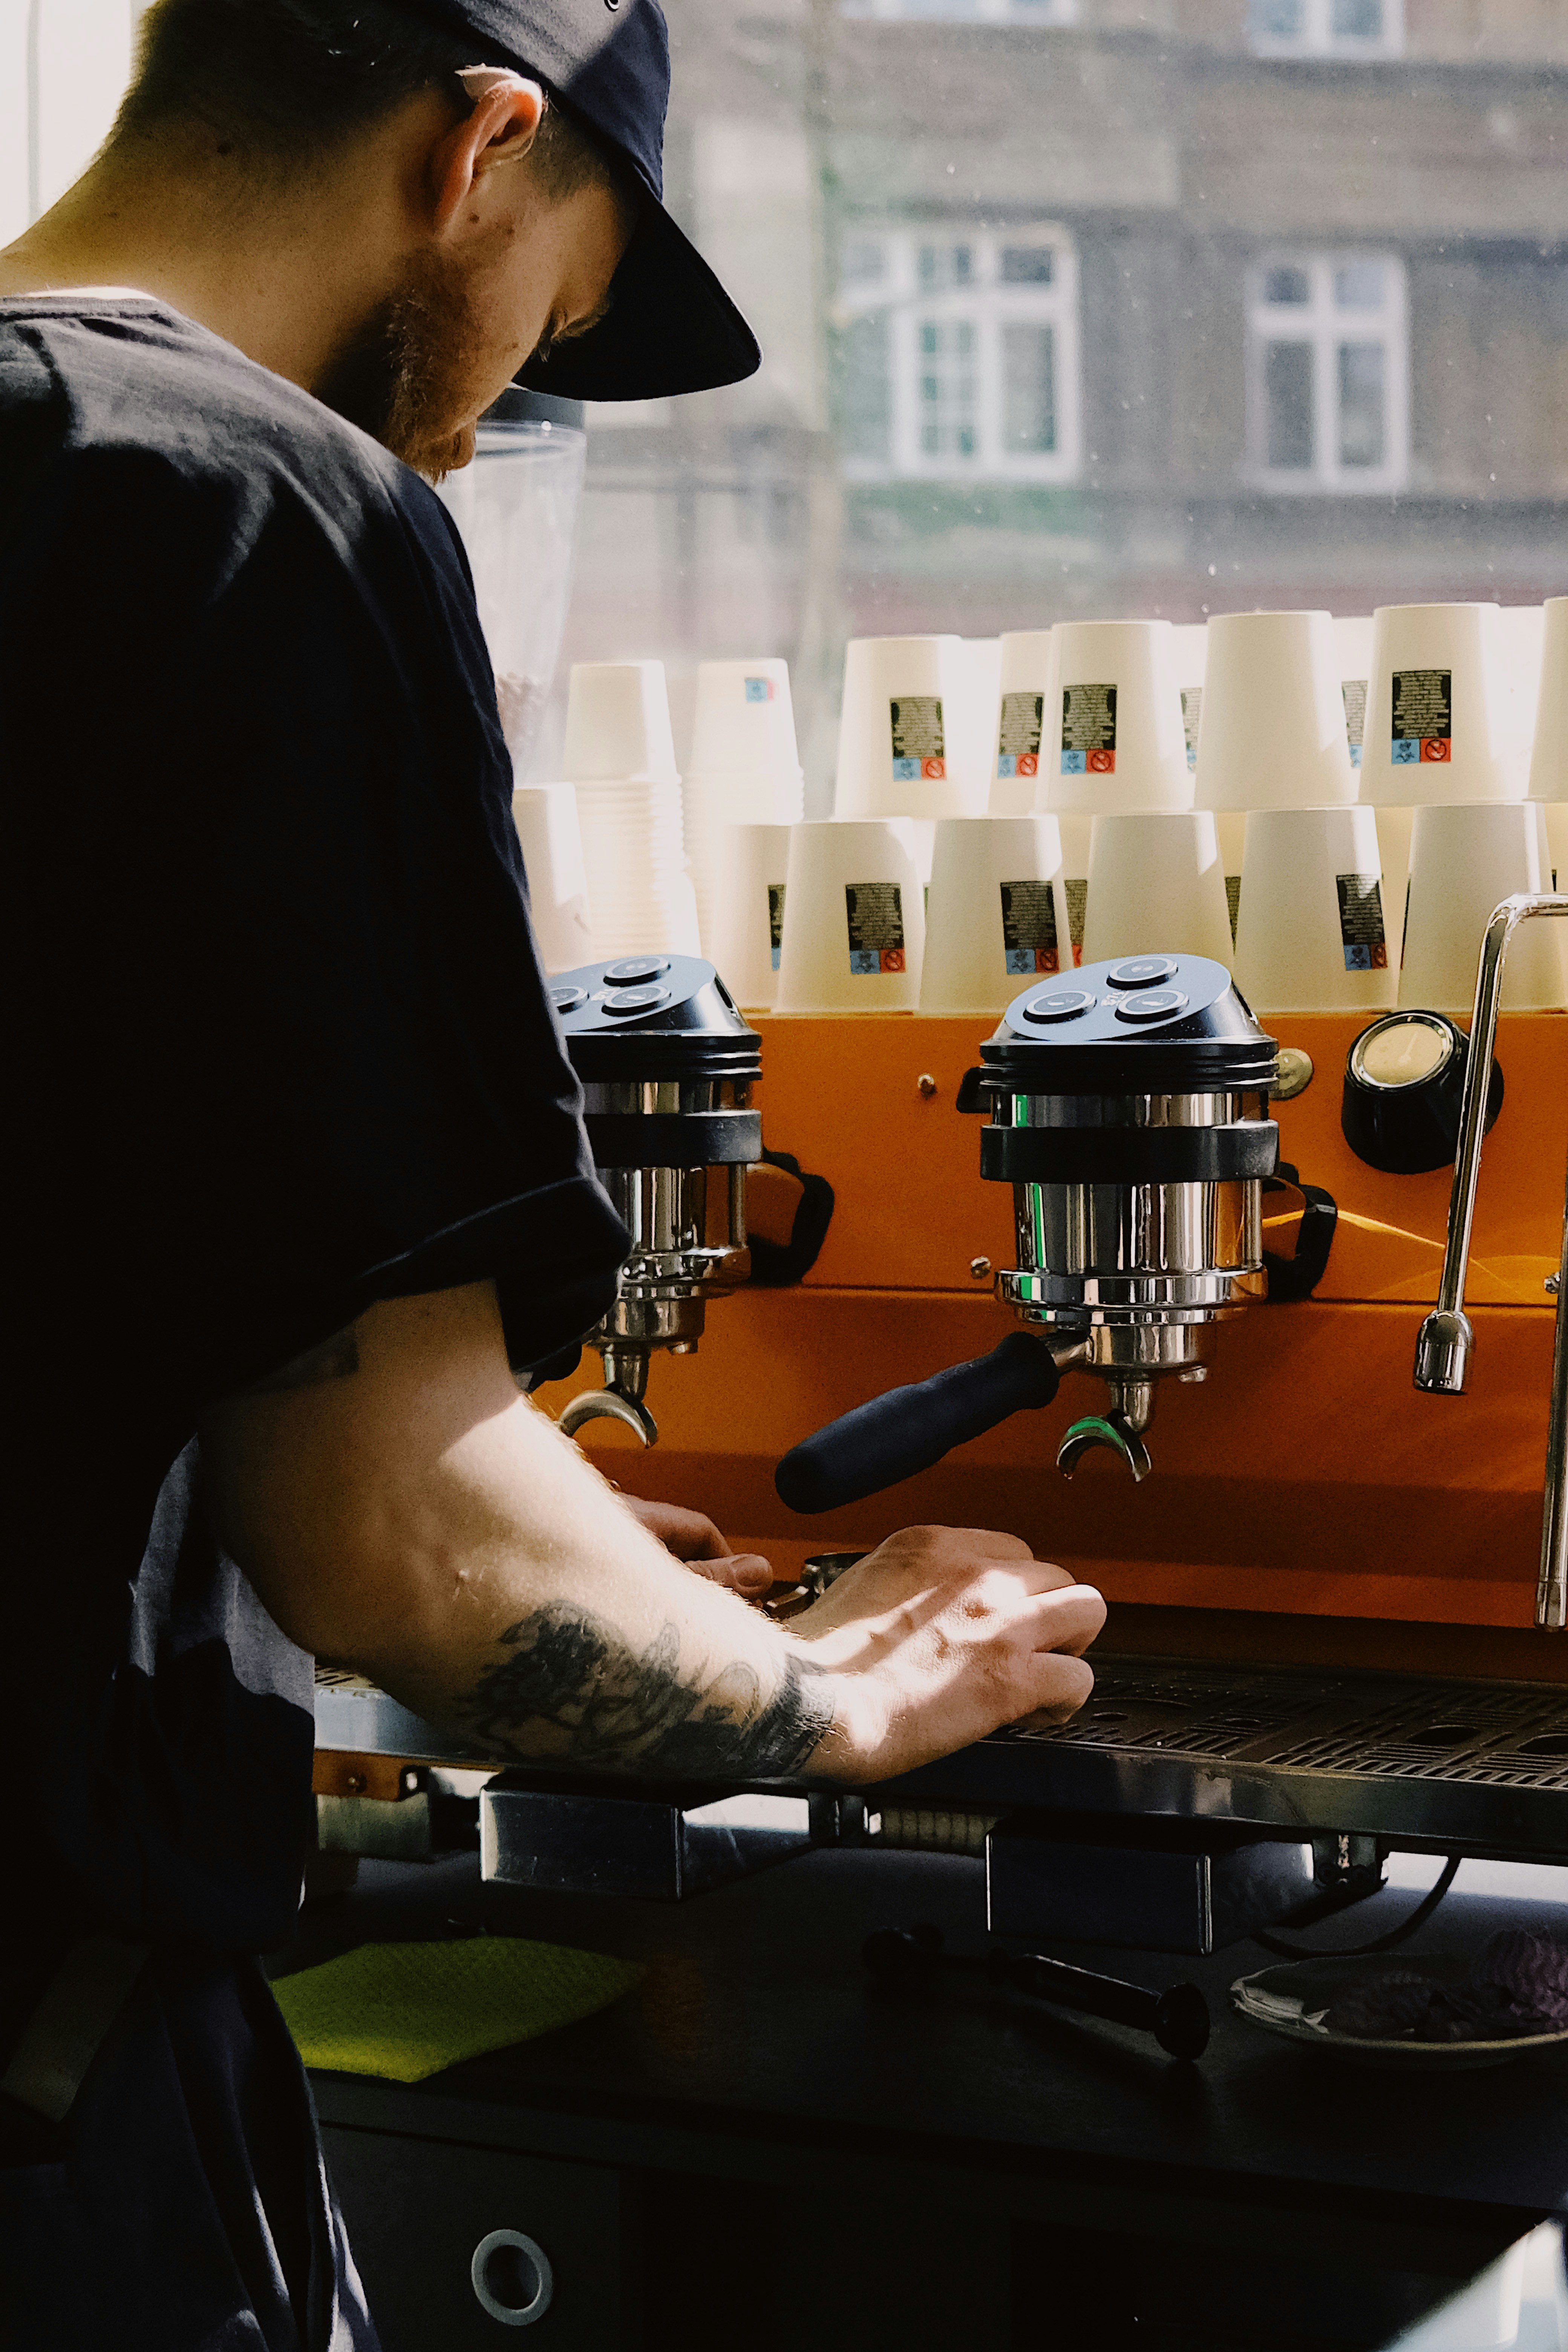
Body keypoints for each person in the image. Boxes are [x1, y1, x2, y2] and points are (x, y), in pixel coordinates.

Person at [0, 2, 1106, 2343]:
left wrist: (557, 1520)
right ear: (480, 151)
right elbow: (396, 1539)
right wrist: (827, 1699)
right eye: (553, 316)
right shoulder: (253, 505)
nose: (489, 414)